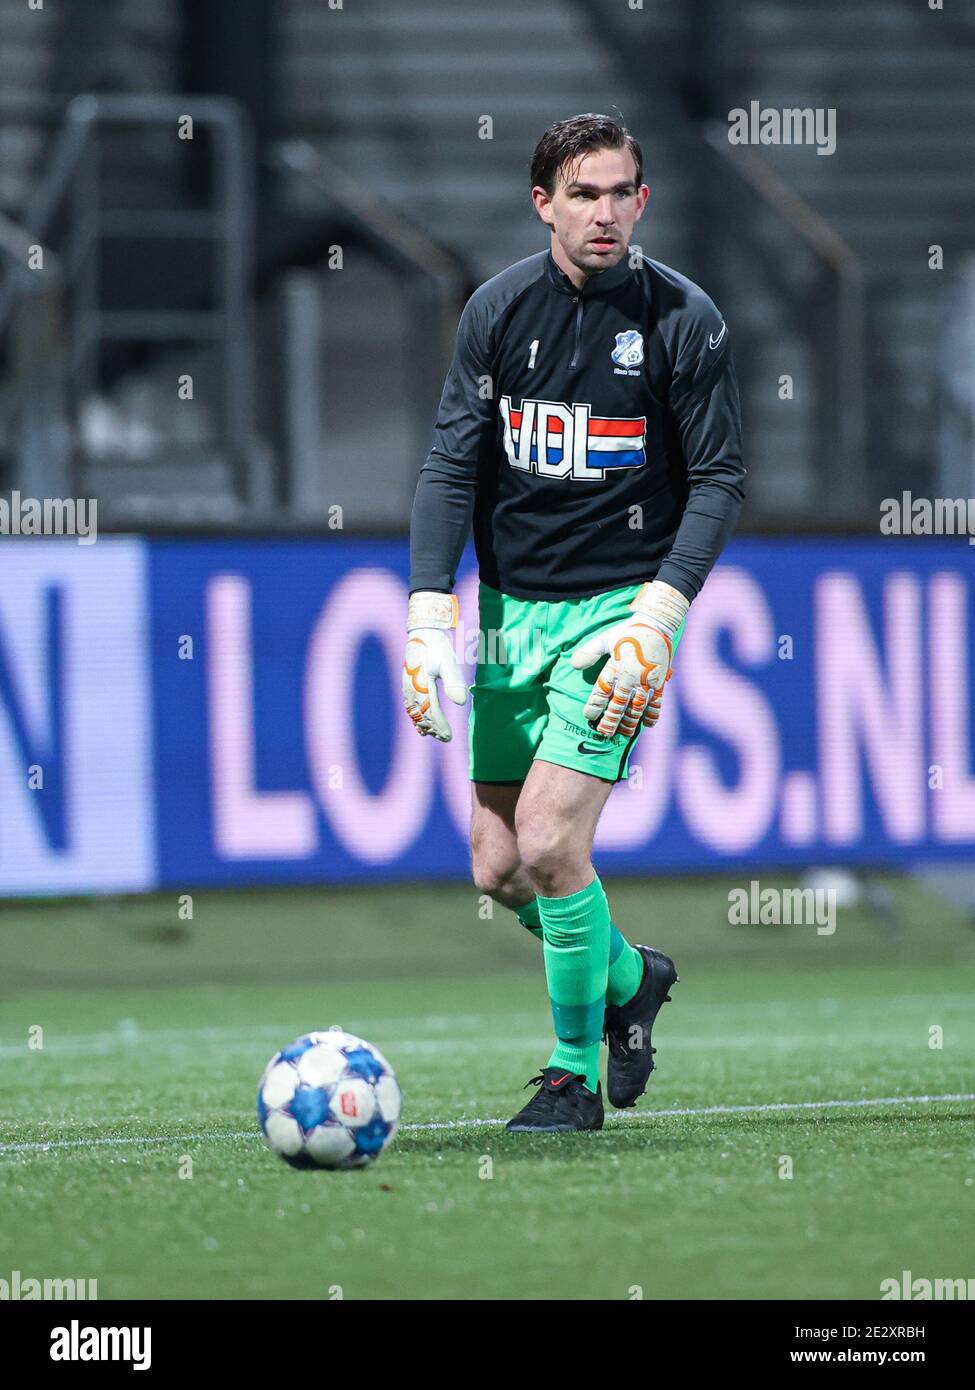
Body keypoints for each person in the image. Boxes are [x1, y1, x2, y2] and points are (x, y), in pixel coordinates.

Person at [403, 113, 745, 1132]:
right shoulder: (497, 312)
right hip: (510, 616)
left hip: (617, 613)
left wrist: (662, 612)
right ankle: (632, 976)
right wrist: (430, 607)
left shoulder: (685, 318)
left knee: (553, 840)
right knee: (498, 866)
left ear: (642, 200)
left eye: (623, 192)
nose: (607, 212)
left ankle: (569, 1077)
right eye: (584, 194)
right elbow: (451, 463)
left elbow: (721, 479)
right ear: (543, 201)